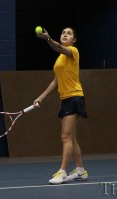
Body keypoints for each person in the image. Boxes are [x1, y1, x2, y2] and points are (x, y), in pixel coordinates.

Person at [34, 27, 88, 185]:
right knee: (71, 137)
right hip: (66, 99)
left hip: (74, 97)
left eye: (69, 33)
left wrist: (48, 38)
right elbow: (56, 81)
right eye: (63, 32)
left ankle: (62, 172)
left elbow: (57, 46)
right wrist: (41, 97)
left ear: (74, 40)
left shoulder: (73, 51)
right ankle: (80, 170)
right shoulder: (60, 59)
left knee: (65, 137)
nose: (65, 34)